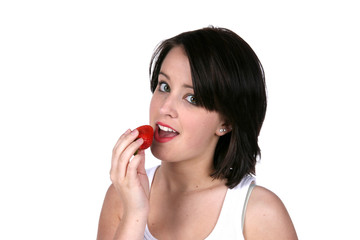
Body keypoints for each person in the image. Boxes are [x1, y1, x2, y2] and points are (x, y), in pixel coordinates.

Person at [97, 26, 298, 240]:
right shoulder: (122, 197)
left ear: (226, 122)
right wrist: (134, 214)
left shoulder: (260, 214)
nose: (164, 108)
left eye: (192, 98)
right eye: (164, 86)